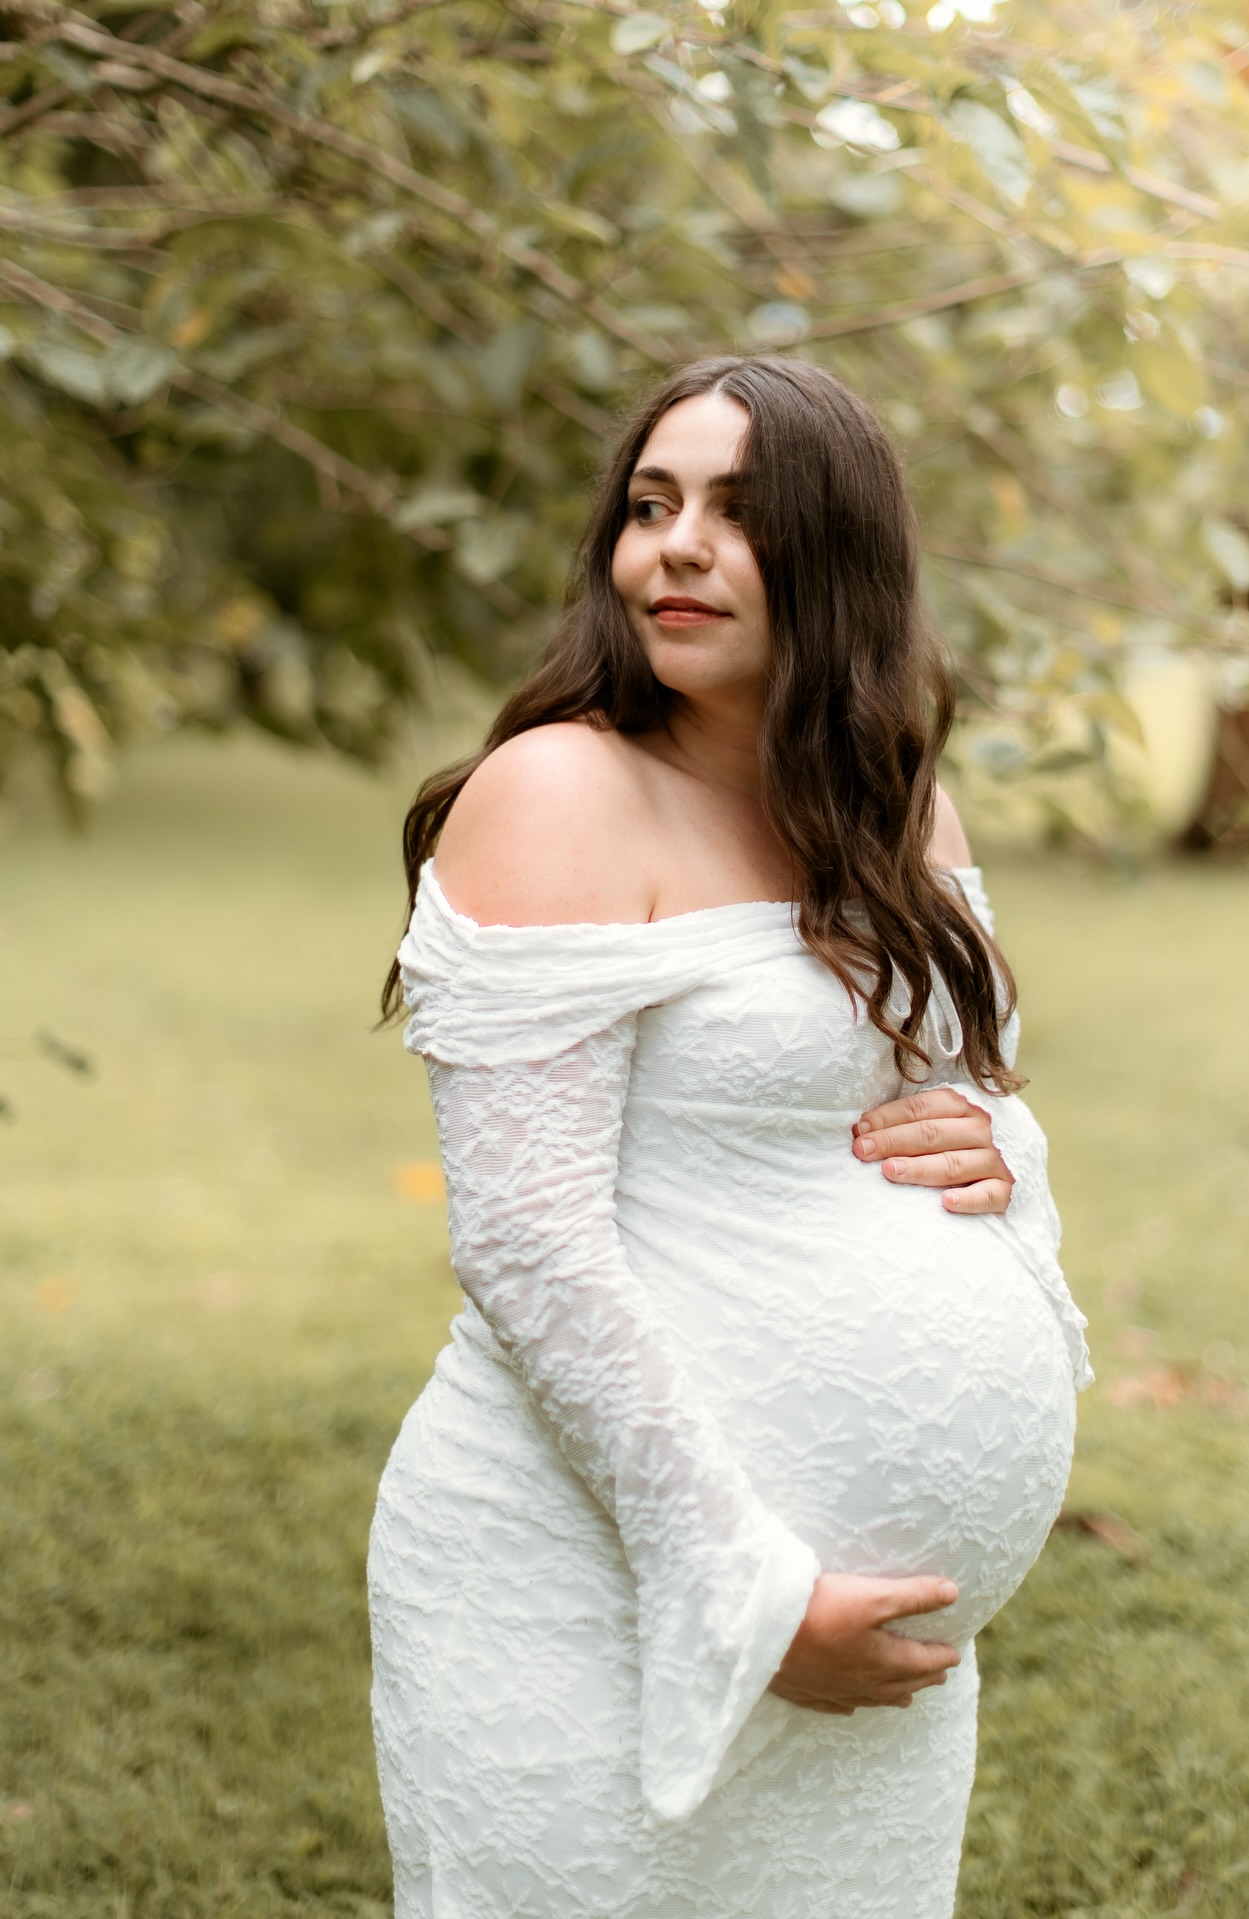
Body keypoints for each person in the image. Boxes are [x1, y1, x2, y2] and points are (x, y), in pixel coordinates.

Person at [368, 355, 1091, 1918]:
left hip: (883, 1662)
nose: (676, 548)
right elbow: (524, 1237)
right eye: (650, 506)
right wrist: (752, 1600)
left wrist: (1000, 1159)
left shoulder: (902, 813)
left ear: (841, 559)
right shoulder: (562, 790)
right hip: (593, 1584)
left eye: (738, 515)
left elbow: (972, 1112)